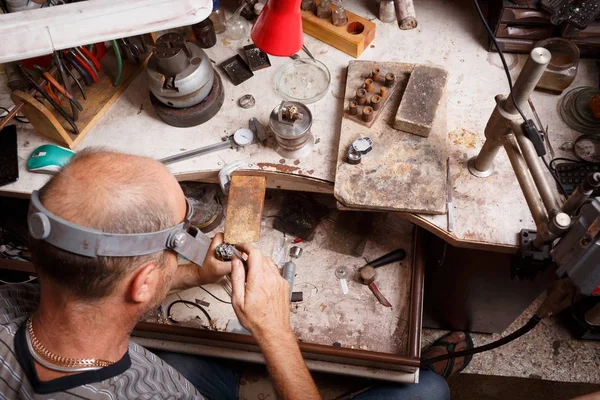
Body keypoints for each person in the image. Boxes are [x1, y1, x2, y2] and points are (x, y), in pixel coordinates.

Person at [0, 149, 470, 399]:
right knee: (426, 391)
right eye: (179, 236)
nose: (192, 240)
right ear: (141, 283)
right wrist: (275, 332)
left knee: (210, 358)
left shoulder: (11, 306)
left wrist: (185, 274)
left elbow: (99, 303)